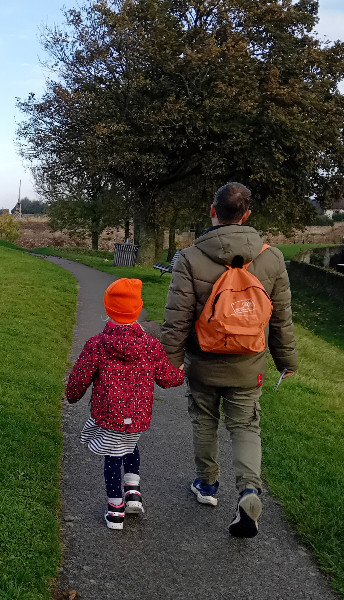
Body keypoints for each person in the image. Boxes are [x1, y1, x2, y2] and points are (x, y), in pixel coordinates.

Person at [161, 182, 298, 538]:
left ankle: (207, 486)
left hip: (203, 361)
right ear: (247, 215)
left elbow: (176, 317)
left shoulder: (189, 258)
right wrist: (287, 359)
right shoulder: (272, 258)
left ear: (213, 211)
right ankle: (249, 491)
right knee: (246, 426)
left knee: (204, 420)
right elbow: (281, 316)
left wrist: (169, 360)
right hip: (249, 363)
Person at [66, 278, 184, 530]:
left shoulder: (97, 345)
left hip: (109, 415)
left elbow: (79, 378)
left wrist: (72, 395)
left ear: (108, 309)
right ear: (139, 309)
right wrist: (181, 372)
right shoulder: (151, 345)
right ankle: (133, 493)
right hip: (138, 416)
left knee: (113, 456)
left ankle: (115, 509)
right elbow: (166, 377)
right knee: (130, 446)